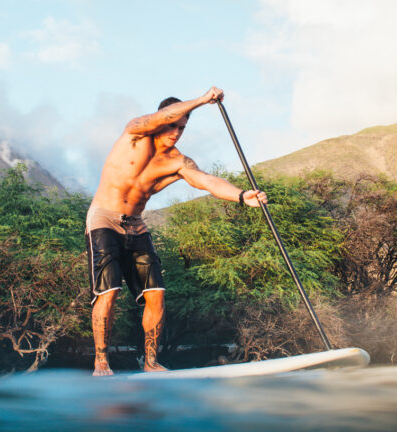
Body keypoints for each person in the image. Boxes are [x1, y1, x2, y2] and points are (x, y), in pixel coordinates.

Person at [86, 86, 267, 376]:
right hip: (104, 219)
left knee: (156, 293)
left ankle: (150, 362)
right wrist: (201, 100)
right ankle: (101, 362)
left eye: (182, 127)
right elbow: (167, 114)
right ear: (160, 119)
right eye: (171, 124)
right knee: (109, 292)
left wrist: (242, 195)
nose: (176, 131)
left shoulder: (177, 161)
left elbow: (205, 181)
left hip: (136, 224)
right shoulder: (135, 133)